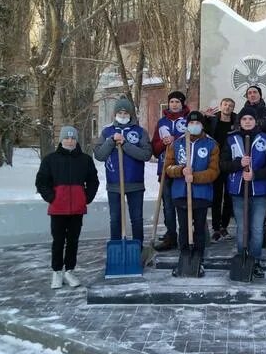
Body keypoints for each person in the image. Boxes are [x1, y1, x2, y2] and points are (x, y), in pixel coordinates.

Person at [36, 126, 99, 289]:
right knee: (58, 241)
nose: (70, 141)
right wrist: (51, 197)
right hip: (58, 208)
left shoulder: (85, 159)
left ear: (76, 140)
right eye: (66, 138)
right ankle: (57, 271)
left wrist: (86, 197)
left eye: (72, 138)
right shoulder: (50, 159)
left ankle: (69, 270)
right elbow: (41, 181)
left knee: (73, 241)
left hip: (77, 208)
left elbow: (93, 181)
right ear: (61, 140)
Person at [220, 106, 266, 278]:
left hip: (259, 190)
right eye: (244, 119)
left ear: (255, 121)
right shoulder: (231, 139)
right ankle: (242, 256)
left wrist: (255, 175)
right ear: (240, 122)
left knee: (257, 228)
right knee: (242, 227)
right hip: (238, 190)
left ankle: (255, 260)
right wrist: (238, 163)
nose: (247, 122)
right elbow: (223, 165)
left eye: (250, 119)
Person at [164, 110, 220, 277]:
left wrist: (194, 177)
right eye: (191, 123)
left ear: (202, 125)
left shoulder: (211, 144)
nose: (194, 126)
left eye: (197, 123)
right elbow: (168, 167)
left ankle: (198, 258)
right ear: (187, 125)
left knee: (199, 229)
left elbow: (214, 171)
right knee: (184, 228)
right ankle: (185, 256)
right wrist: (181, 171)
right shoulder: (178, 143)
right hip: (181, 193)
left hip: (201, 194)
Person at [94, 97, 152, 249]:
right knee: (115, 219)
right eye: (120, 112)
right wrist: (111, 141)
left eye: (126, 112)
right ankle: (117, 248)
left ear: (131, 114)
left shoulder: (140, 132)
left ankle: (138, 248)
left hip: (135, 183)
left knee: (137, 219)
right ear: (115, 114)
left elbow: (145, 155)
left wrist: (125, 144)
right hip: (114, 184)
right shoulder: (107, 132)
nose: (123, 114)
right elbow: (99, 155)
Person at [151, 91, 190, 250]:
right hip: (165, 168)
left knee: (183, 203)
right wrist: (163, 143)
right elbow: (154, 147)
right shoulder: (162, 122)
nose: (174, 104)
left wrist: (176, 138)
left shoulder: (189, 120)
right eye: (172, 101)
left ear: (182, 103)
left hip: (183, 169)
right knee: (168, 205)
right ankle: (171, 235)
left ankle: (186, 235)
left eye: (177, 102)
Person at [205, 98, 237, 242]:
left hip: (230, 164)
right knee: (216, 197)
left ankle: (224, 226)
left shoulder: (236, 122)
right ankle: (216, 228)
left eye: (230, 106)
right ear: (220, 106)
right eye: (225, 105)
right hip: (216, 163)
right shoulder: (212, 121)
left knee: (229, 196)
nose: (228, 107)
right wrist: (204, 116)